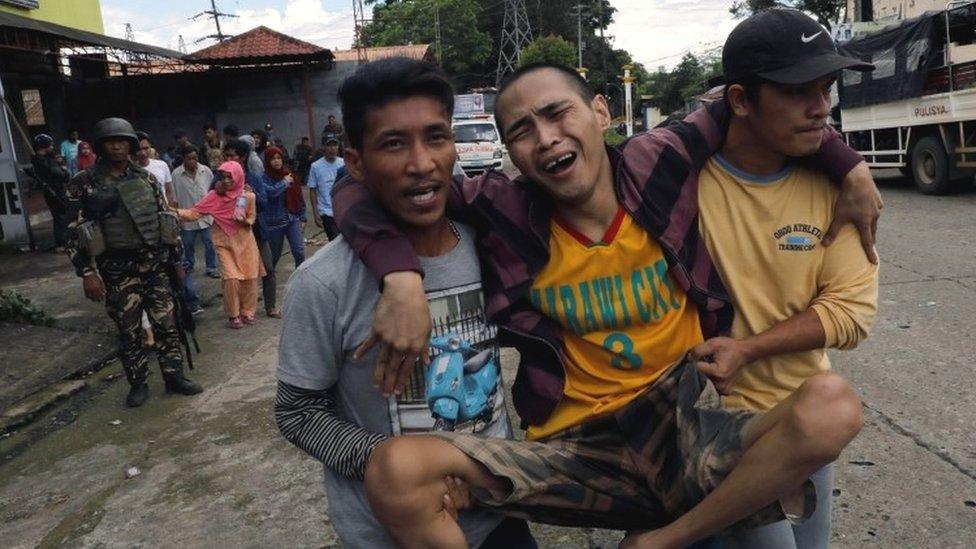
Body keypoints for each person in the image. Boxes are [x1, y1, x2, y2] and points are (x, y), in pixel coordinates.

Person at [332, 59, 881, 547]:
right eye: (522, 131)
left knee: (831, 405)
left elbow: (756, 107)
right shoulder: (504, 208)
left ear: (600, 112)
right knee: (397, 470)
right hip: (578, 450)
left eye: (557, 114)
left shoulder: (658, 161)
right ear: (510, 153)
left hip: (688, 420)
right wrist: (400, 276)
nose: (545, 138)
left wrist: (848, 164)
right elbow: (364, 187)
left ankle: (661, 539)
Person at [275, 58, 536, 549]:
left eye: (436, 137)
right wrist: (406, 472)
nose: (421, 163)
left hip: (499, 516)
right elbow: (296, 411)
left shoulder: (489, 246)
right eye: (393, 144)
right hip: (389, 534)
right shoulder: (323, 283)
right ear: (355, 163)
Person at [689, 10, 879, 548]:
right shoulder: (683, 186)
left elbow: (851, 312)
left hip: (805, 425)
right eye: (799, 92)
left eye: (826, 88)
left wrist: (748, 349)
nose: (821, 108)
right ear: (741, 101)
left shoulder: (837, 190)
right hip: (716, 427)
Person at [64, 117, 202, 408]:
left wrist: (176, 261)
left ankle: (174, 376)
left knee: (167, 324)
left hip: (155, 266)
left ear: (130, 144)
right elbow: (74, 232)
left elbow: (166, 221)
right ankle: (138, 383)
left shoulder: (146, 178)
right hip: (117, 272)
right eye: (111, 141)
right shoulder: (84, 184)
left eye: (123, 141)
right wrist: (87, 274)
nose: (117, 146)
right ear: (101, 146)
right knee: (129, 332)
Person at [178, 161, 262, 329]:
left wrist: (244, 220)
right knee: (231, 278)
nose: (226, 181)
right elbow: (193, 214)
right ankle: (233, 314)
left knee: (250, 278)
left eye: (230, 177)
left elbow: (252, 218)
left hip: (246, 242)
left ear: (238, 177)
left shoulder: (248, 196)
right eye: (223, 177)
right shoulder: (214, 197)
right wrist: (172, 211)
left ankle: (247, 311)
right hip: (224, 243)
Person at [224, 138, 278, 317]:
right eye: (227, 155)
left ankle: (270, 306)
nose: (230, 159)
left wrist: (252, 194)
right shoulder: (221, 178)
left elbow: (264, 203)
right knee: (238, 273)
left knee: (268, 268)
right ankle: (240, 310)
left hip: (256, 231)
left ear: (243, 157)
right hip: (233, 234)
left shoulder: (254, 178)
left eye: (233, 156)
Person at [172, 145, 219, 279]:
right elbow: (174, 197)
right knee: (187, 244)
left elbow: (213, 191)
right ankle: (189, 265)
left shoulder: (206, 171)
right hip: (187, 216)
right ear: (184, 159)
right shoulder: (176, 174)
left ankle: (211, 267)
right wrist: (177, 216)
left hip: (206, 216)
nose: (193, 161)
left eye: (195, 158)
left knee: (210, 242)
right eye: (189, 159)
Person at [257, 146, 306, 268]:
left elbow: (299, 197)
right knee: (274, 256)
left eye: (279, 158)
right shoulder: (263, 179)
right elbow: (271, 193)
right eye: (273, 159)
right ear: (267, 161)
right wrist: (284, 183)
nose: (277, 161)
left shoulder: (289, 175)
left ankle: (300, 279)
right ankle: (269, 280)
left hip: (292, 219)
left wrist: (303, 217)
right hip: (274, 223)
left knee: (299, 251)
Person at [31, 133, 70, 251]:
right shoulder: (44, 162)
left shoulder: (42, 159)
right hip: (55, 191)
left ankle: (62, 242)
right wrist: (63, 169)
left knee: (60, 216)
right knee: (61, 217)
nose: (52, 147)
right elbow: (61, 175)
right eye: (50, 145)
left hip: (52, 191)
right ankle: (62, 243)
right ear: (44, 146)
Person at [307, 135, 344, 240]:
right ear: (323, 147)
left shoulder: (343, 163)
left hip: (343, 210)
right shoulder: (316, 166)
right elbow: (312, 190)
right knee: (335, 242)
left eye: (335, 145)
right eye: (329, 145)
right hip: (327, 212)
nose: (332, 148)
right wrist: (315, 212)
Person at [135, 131, 175, 205]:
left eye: (146, 148)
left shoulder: (162, 165)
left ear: (150, 146)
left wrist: (170, 211)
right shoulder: (129, 170)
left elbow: (169, 191)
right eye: (139, 149)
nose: (143, 153)